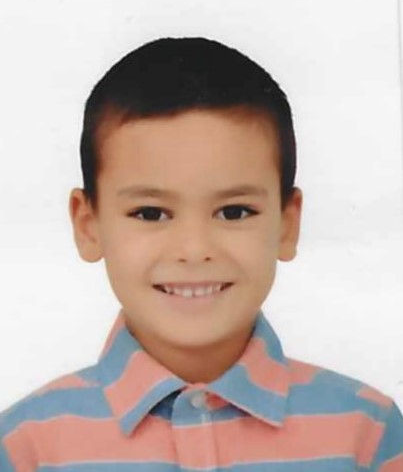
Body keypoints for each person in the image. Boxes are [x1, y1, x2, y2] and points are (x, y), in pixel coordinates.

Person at [1, 36, 402, 471]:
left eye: (234, 211)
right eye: (150, 213)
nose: (194, 250)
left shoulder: (367, 433)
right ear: (88, 225)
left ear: (288, 223)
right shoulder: (26, 448)